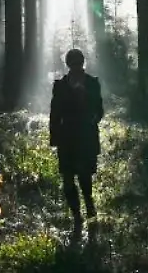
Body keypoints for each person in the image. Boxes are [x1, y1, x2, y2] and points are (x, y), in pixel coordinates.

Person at [49, 48, 103, 231]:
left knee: (84, 176)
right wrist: (55, 137)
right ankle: (77, 216)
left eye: (78, 63)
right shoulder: (60, 85)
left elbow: (99, 110)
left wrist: (91, 116)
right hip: (67, 137)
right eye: (73, 63)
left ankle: (89, 207)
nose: (76, 67)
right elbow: (54, 114)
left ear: (82, 63)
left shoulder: (92, 83)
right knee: (68, 178)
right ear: (68, 64)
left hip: (85, 135)